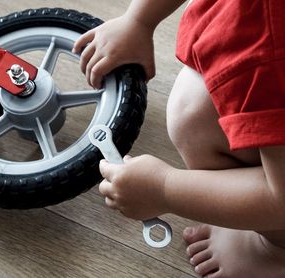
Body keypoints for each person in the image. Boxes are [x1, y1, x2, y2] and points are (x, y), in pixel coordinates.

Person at [72, 0, 285, 277]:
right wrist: (139, 20)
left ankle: (276, 248)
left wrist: (164, 189)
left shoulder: (267, 48)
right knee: (194, 107)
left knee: (192, 120)